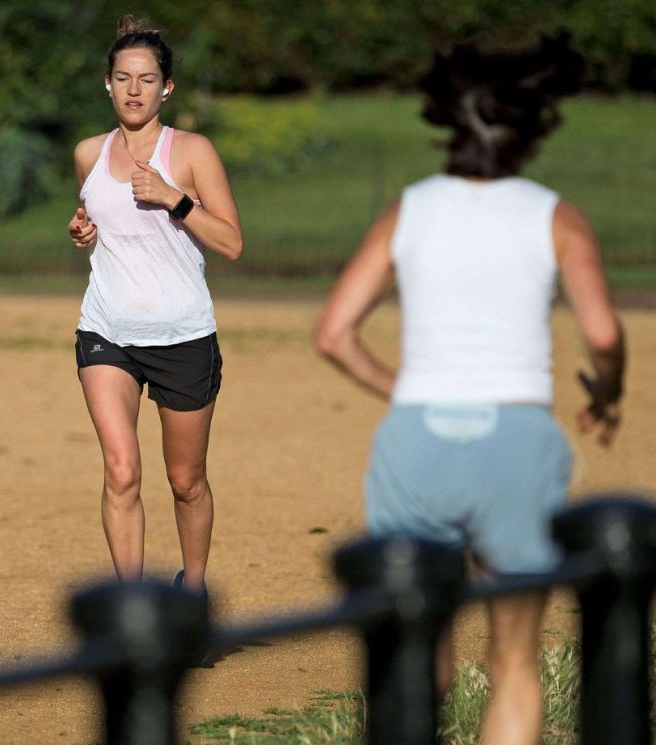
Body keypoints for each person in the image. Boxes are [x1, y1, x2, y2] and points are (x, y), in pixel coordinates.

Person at [314, 38, 625, 745]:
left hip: (415, 440)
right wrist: (609, 390)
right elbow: (602, 335)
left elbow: (333, 332)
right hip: (516, 439)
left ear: (451, 123)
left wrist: (407, 389)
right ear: (531, 129)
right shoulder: (557, 217)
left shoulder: (409, 210)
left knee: (419, 652)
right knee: (513, 658)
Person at [67, 16, 243, 595]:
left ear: (166, 87)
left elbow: (232, 243)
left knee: (186, 480)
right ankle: (134, 614)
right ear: (108, 84)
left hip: (182, 335)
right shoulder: (88, 153)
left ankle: (191, 595)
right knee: (122, 472)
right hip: (107, 331)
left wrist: (175, 199)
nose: (134, 90)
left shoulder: (191, 151)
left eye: (146, 79)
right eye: (123, 78)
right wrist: (83, 229)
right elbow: (99, 218)